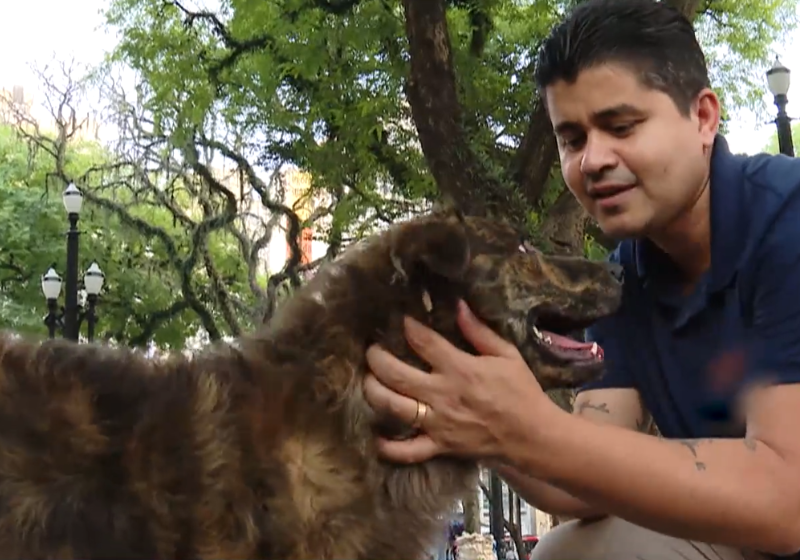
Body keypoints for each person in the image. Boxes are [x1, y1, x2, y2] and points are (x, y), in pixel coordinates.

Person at [361, 0, 800, 558]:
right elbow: (583, 478)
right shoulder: (628, 278)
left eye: (621, 126)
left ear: (704, 118)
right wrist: (467, 418)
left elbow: (788, 501)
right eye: (571, 139)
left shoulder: (787, 219)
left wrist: (527, 429)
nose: (592, 160)